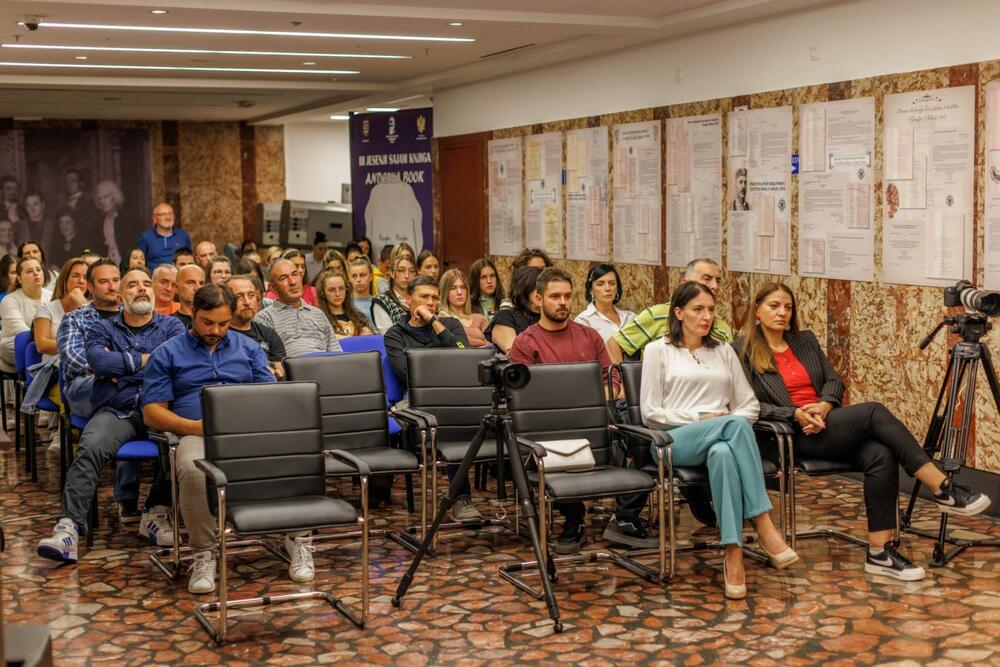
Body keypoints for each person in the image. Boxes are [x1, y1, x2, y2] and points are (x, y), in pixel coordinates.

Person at [736, 283, 992, 581]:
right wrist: (794, 413)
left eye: (788, 307)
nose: (782, 312)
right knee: (873, 412)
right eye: (774, 306)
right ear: (757, 310)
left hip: (825, 422)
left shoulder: (804, 341)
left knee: (880, 454)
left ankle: (880, 552)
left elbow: (834, 381)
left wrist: (824, 405)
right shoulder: (742, 352)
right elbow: (748, 404)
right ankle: (942, 486)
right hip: (790, 434)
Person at [142, 285, 308, 594]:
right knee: (193, 468)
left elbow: (270, 395)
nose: (216, 330)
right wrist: (192, 427)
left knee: (295, 454)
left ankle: (297, 539)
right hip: (195, 431)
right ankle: (205, 552)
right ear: (193, 313)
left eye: (223, 323)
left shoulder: (248, 349)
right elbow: (151, 412)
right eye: (207, 322)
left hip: (247, 430)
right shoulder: (168, 352)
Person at [640, 281, 798, 599]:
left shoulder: (723, 351)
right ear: (679, 312)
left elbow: (748, 404)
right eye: (698, 310)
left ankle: (733, 554)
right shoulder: (658, 350)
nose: (706, 316)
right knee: (732, 426)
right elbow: (650, 412)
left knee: (724, 453)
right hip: (671, 442)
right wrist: (702, 420)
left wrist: (724, 423)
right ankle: (763, 523)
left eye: (711, 310)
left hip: (720, 439)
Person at [36, 267, 186, 563]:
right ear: (121, 295)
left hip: (161, 407)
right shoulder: (102, 328)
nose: (141, 289)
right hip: (119, 409)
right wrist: (147, 365)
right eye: (132, 285)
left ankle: (154, 514)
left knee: (181, 447)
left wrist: (123, 368)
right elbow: (98, 362)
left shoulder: (172, 327)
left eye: (146, 284)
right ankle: (68, 529)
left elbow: (178, 366)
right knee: (90, 448)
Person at [507, 268, 659, 554]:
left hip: (596, 420)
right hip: (549, 427)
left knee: (644, 438)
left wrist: (595, 400)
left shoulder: (588, 337)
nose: (562, 302)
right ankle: (573, 518)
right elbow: (523, 397)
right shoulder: (526, 343)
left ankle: (625, 518)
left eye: (567, 296)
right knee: (554, 440)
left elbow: (611, 379)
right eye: (555, 297)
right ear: (539, 299)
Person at [607, 257, 731, 528]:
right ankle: (625, 517)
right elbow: (614, 344)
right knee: (648, 442)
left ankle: (713, 502)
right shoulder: (657, 315)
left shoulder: (720, 328)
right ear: (684, 283)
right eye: (707, 278)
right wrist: (625, 387)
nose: (714, 285)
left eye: (718, 280)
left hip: (706, 408)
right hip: (658, 404)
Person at [383, 275, 473, 520]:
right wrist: (443, 364)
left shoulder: (450, 325)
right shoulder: (395, 334)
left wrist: (434, 322)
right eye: (424, 297)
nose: (430, 302)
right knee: (451, 421)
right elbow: (409, 374)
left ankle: (461, 498)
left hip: (452, 395)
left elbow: (464, 358)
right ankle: (462, 498)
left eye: (434, 298)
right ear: (407, 300)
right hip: (415, 400)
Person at [254, 259, 342, 357]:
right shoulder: (265, 318)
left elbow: (336, 352)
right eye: (283, 278)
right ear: (273, 288)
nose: (292, 282)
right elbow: (265, 360)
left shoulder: (318, 313)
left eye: (295, 274)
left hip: (325, 367)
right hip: (291, 370)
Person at [226, 275, 286, 378]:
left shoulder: (268, 333)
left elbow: (280, 371)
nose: (247, 302)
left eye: (251, 295)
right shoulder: (220, 334)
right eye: (239, 297)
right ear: (227, 301)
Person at [0, 257, 53, 370]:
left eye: (38, 270)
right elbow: (22, 332)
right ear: (19, 278)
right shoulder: (10, 300)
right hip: (24, 344)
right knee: (6, 346)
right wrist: (45, 341)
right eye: (29, 271)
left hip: (48, 344)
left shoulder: (52, 296)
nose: (36, 273)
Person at [34, 257, 88, 360]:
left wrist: (83, 306)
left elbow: (100, 342)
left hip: (87, 366)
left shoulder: (93, 308)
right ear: (65, 279)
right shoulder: (47, 308)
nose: (81, 281)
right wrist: (79, 346)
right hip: (54, 368)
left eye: (85, 277)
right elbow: (42, 345)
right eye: (75, 276)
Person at [485, 266, 541, 354]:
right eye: (538, 289)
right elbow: (515, 353)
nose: (543, 293)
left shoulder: (548, 317)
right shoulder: (505, 317)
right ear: (525, 289)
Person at [574, 263, 636, 342]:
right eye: (600, 284)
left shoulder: (631, 318)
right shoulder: (583, 321)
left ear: (617, 288)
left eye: (612, 283)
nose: (607, 288)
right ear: (591, 290)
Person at [438, 268, 489, 348]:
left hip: (484, 358)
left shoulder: (480, 319)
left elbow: (490, 346)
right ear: (445, 292)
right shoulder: (443, 319)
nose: (459, 292)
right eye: (453, 288)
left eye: (463, 287)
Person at [315, 270, 372, 338]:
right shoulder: (318, 320)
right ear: (322, 292)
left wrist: (367, 334)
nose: (338, 294)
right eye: (332, 290)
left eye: (341, 288)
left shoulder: (358, 317)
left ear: (346, 289)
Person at [136, 202, 192, 269]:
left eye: (170, 214)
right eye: (163, 214)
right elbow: (140, 262)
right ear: (154, 219)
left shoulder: (183, 235)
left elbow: (190, 258)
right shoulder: (145, 238)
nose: (168, 217)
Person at [370, 254, 415, 333]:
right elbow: (388, 336)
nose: (407, 276)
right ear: (391, 273)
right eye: (401, 270)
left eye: (411, 271)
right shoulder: (382, 301)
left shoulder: (420, 298)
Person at [93, 180, 126, 264]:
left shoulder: (127, 219)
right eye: (100, 198)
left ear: (115, 197)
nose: (102, 201)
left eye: (105, 197)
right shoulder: (99, 223)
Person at [19, 193, 56, 258]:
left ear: (43, 205)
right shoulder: (18, 226)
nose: (32, 208)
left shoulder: (54, 226)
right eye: (28, 205)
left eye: (35, 204)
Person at [348, 257, 375, 329]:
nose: (358, 279)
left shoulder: (378, 302)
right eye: (354, 276)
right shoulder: (346, 304)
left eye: (362, 275)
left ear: (371, 277)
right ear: (349, 279)